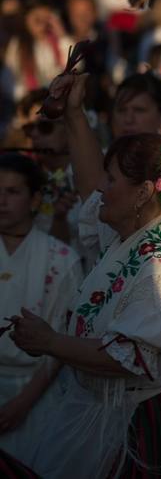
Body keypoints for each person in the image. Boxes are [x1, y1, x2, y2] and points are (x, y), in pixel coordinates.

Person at [8, 133, 161, 478]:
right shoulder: (132, 234)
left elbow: (127, 357)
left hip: (150, 429)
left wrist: (49, 342)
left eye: (111, 178)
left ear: (143, 193)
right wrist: (74, 117)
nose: (100, 187)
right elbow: (90, 191)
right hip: (119, 412)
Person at [60, 72, 161, 308]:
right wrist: (73, 112)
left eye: (139, 110)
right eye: (122, 110)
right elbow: (91, 196)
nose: (129, 119)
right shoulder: (101, 162)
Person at [0, 154, 81, 457]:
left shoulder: (61, 259)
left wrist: (22, 403)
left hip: (38, 392)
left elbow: (61, 338)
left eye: (12, 191)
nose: (2, 201)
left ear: (35, 199)